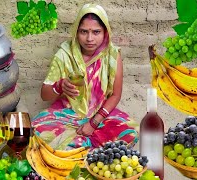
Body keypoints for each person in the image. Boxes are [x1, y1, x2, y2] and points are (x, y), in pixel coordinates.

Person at [31, 4, 138, 149]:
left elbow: (115, 95)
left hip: (101, 115)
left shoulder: (112, 55)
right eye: (83, 32)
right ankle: (92, 150)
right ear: (76, 32)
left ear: (105, 32)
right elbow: (45, 95)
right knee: (39, 129)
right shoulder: (65, 54)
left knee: (131, 131)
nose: (89, 38)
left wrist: (94, 123)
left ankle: (78, 149)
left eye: (96, 32)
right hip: (67, 115)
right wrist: (59, 86)